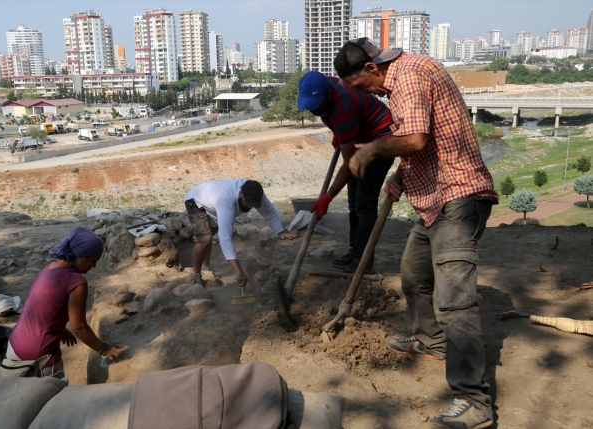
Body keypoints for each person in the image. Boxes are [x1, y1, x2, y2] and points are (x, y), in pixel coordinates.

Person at [336, 38, 499, 429]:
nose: (368, 95)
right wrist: (400, 177)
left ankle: (474, 400)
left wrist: (372, 150)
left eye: (362, 87)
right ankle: (431, 340)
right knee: (413, 275)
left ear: (373, 70)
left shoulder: (408, 76)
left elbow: (415, 139)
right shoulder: (404, 77)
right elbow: (424, 142)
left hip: (457, 198)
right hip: (432, 200)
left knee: (455, 301)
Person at [297, 70, 394, 274]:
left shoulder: (344, 107)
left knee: (364, 205)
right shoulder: (326, 88)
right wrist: (340, 134)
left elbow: (350, 164)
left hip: (380, 140)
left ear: (329, 95)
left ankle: (364, 261)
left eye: (316, 105)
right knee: (353, 203)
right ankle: (354, 251)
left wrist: (328, 197)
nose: (313, 111)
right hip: (360, 135)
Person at [8, 227, 125, 378]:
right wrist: (104, 349)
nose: (94, 266)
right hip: (38, 357)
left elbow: (39, 305)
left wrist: (57, 328)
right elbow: (79, 327)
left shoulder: (50, 268)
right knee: (54, 398)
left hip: (15, 345)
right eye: (93, 260)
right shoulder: (76, 282)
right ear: (81, 256)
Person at [185, 179, 298, 287]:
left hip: (212, 202)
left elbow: (269, 212)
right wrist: (238, 271)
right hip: (196, 200)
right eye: (248, 203)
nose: (250, 206)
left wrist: (280, 232)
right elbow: (225, 239)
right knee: (204, 239)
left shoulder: (256, 192)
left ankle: (206, 268)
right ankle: (195, 274)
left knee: (208, 237)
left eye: (253, 204)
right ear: (240, 193)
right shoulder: (226, 201)